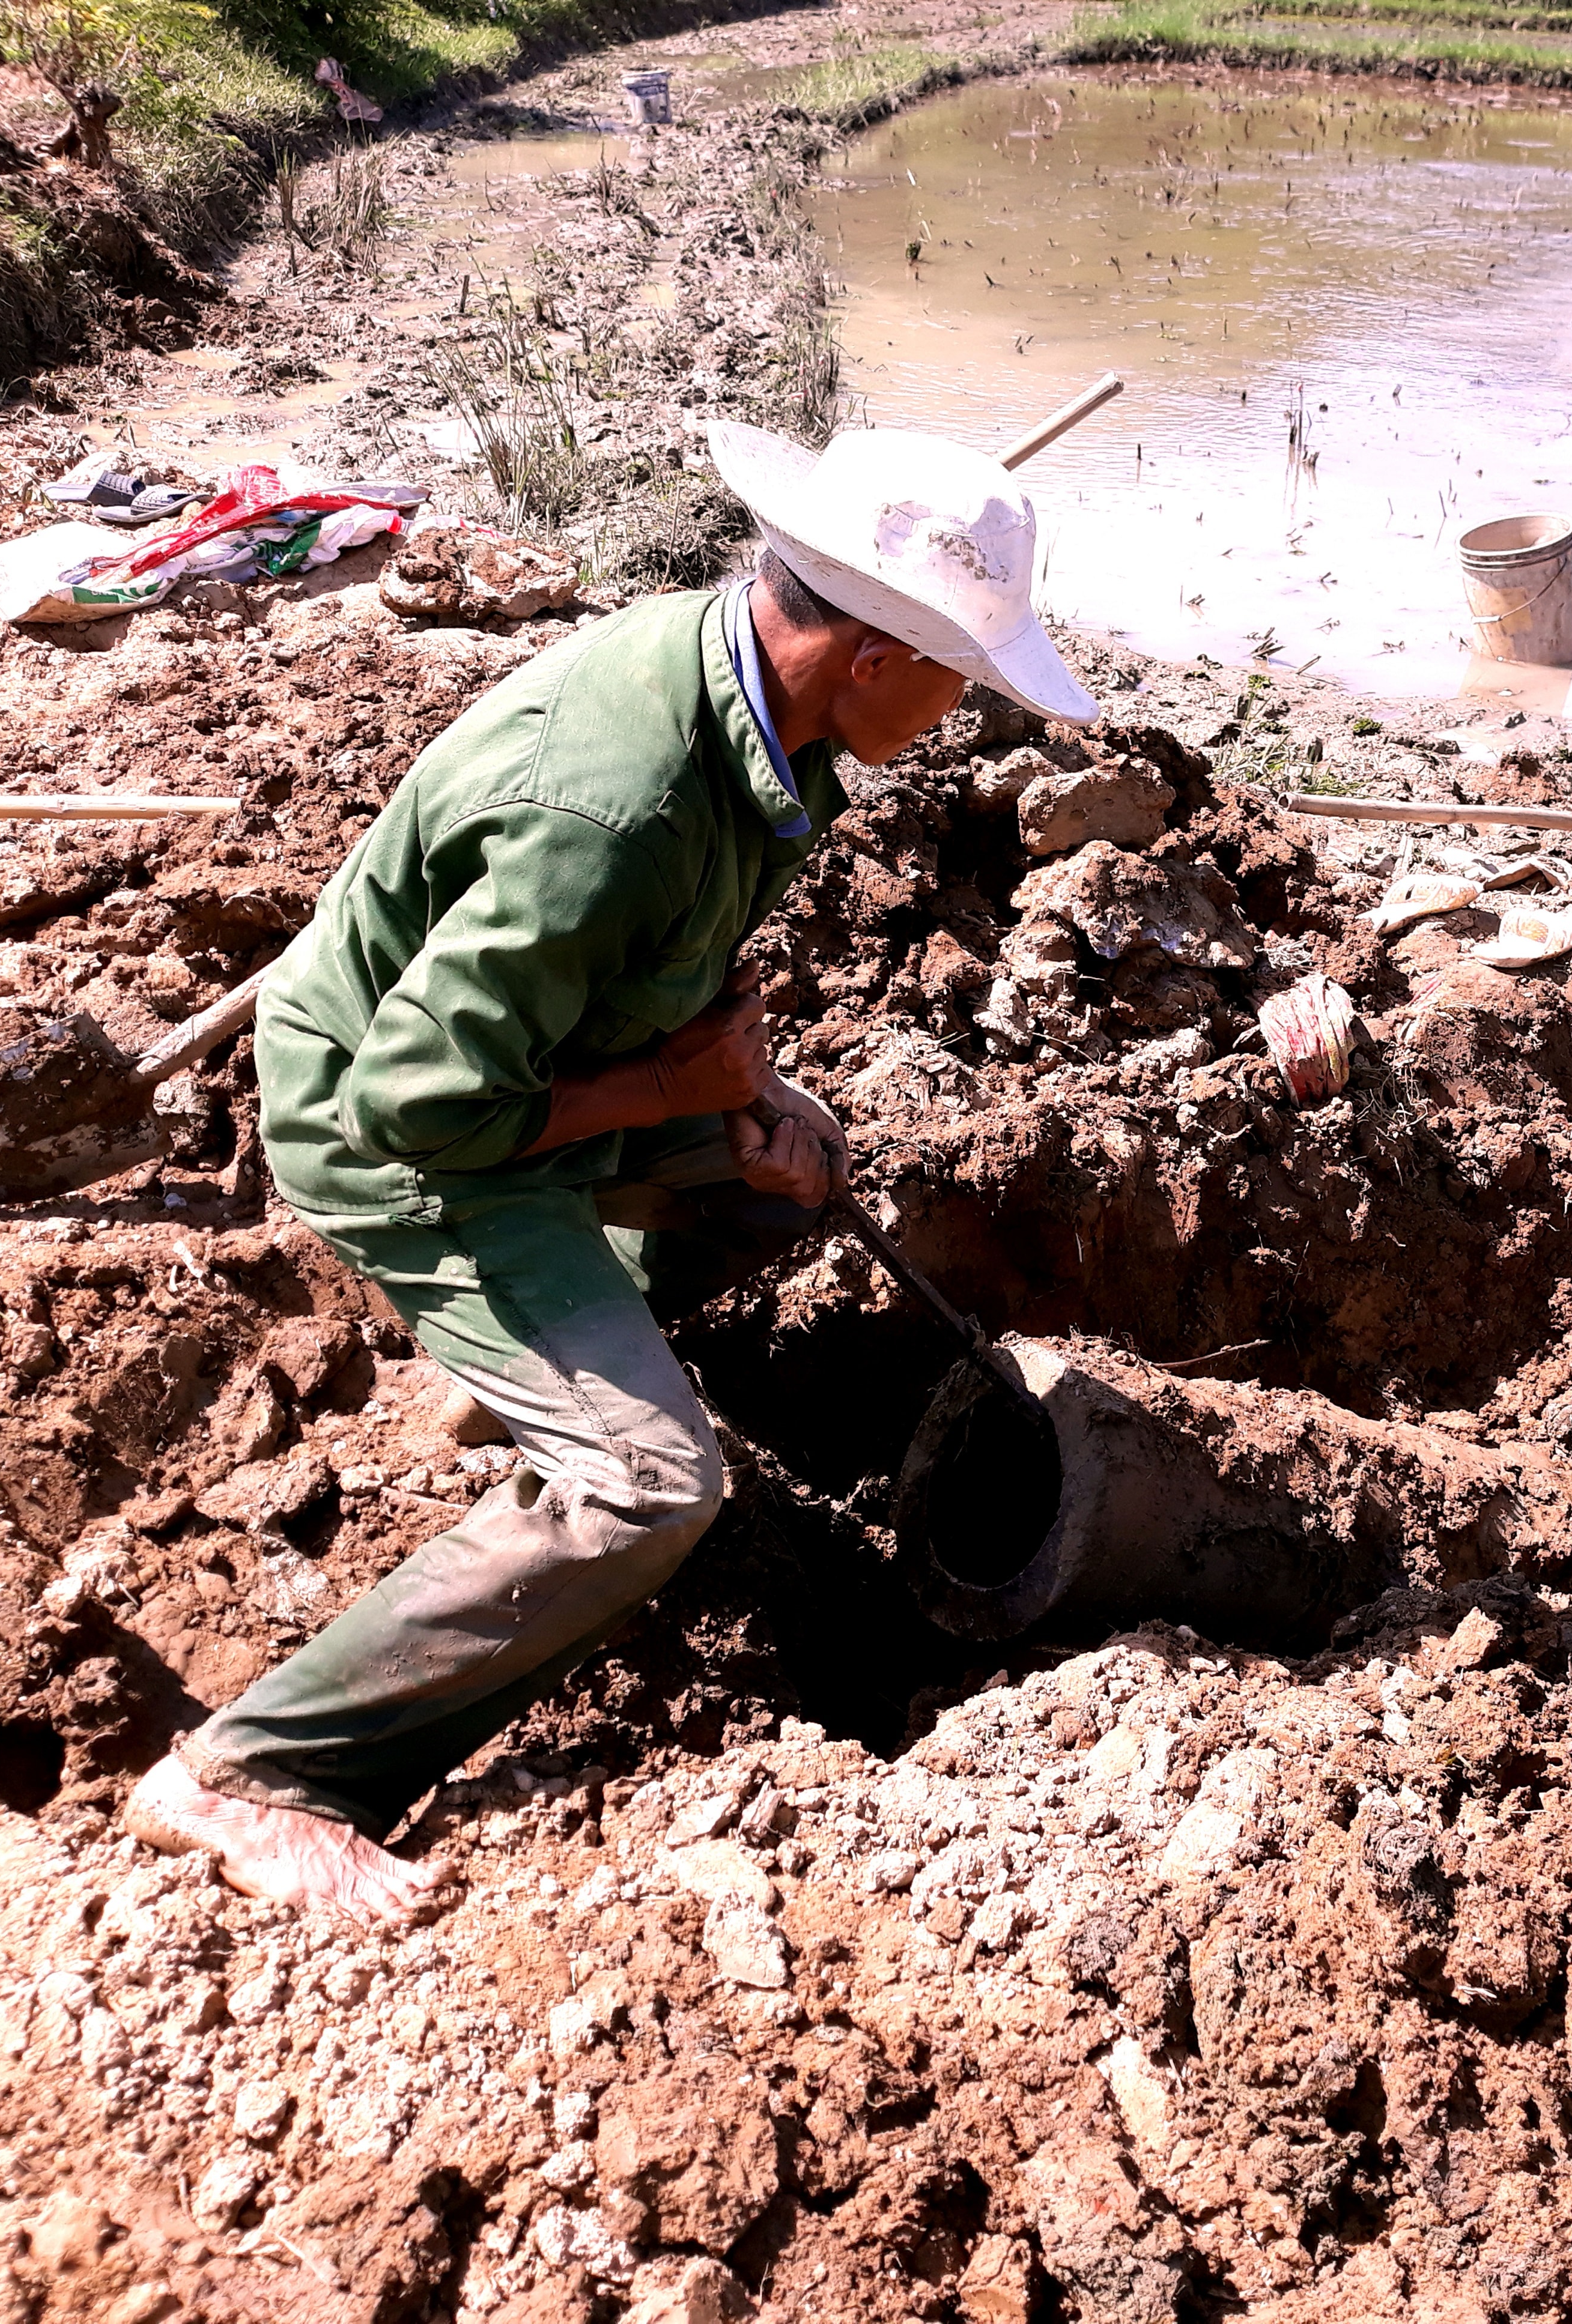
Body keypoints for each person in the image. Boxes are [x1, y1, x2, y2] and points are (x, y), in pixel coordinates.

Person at [124, 425, 1098, 1923]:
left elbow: (660, 972)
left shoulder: (757, 707)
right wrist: (678, 1093)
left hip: (524, 1074)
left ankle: (532, 1359)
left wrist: (753, 1099)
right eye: (961, 671)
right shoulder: (616, 809)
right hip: (391, 1118)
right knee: (651, 1489)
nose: (965, 706)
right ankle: (259, 1770)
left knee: (782, 1180)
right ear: (871, 653)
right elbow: (419, 1107)